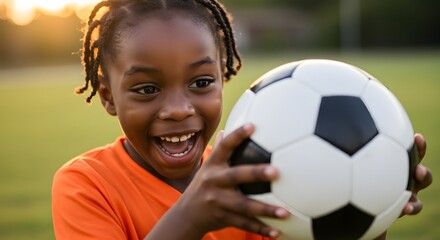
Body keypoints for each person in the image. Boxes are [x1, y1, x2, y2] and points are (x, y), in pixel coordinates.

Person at [51, 0, 433, 239]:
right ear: (107, 96)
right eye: (147, 89)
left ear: (223, 79)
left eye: (201, 82)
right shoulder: (86, 185)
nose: (179, 109)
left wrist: (371, 211)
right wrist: (191, 218)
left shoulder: (258, 175)